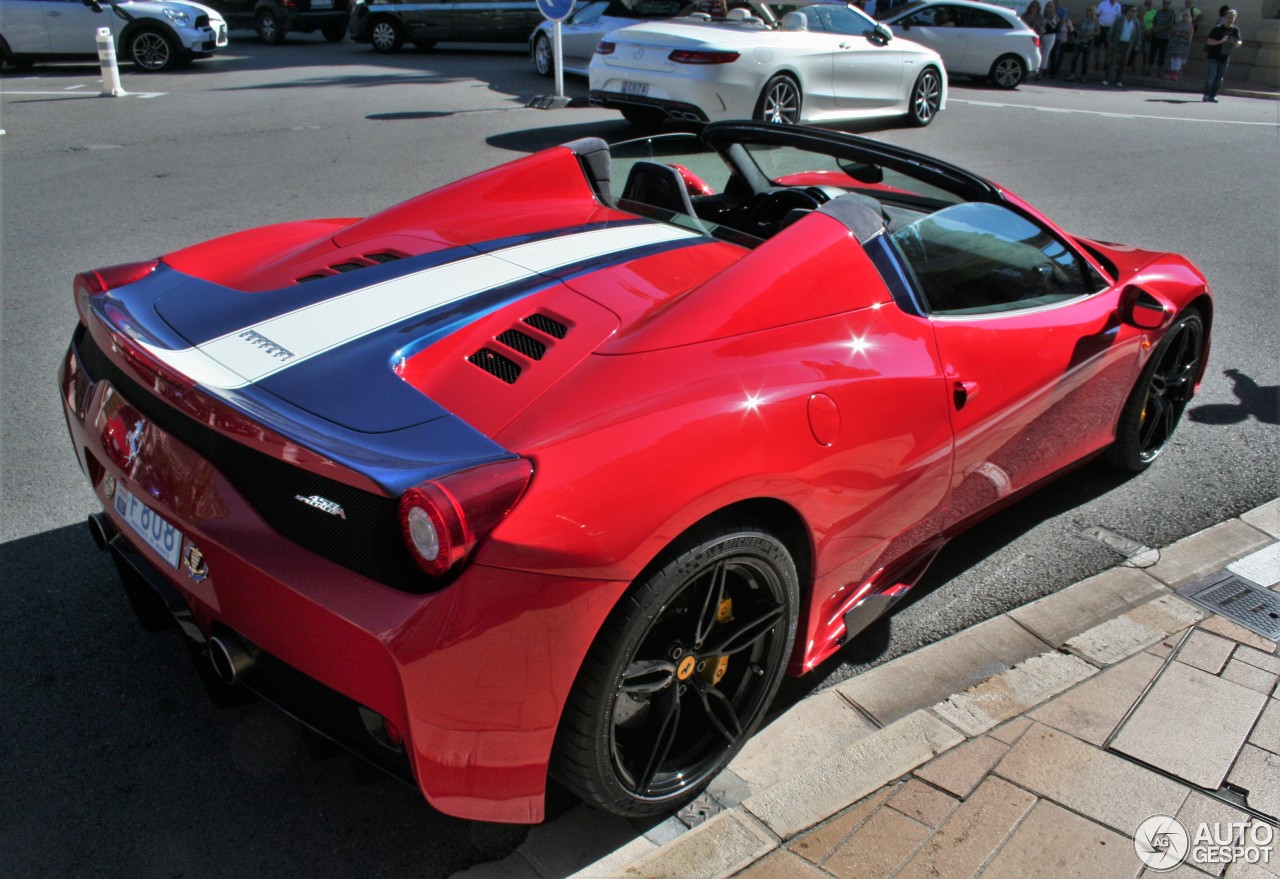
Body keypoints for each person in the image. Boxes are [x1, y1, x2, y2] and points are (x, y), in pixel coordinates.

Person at [1203, 7, 1242, 101]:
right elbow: (1209, 41)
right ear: (1225, 17)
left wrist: (1236, 43)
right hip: (1213, 56)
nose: (1230, 19)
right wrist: (1220, 41)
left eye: (1232, 18)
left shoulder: (1235, 30)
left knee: (1219, 79)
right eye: (1228, 17)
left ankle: (1213, 95)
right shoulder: (1218, 28)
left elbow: (1239, 41)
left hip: (1224, 57)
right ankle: (1206, 95)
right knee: (1210, 77)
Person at [1103, 3, 1142, 85]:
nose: (1134, 13)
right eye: (1133, 11)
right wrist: (1110, 41)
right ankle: (1107, 79)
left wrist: (1137, 44)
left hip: (1127, 44)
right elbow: (1112, 31)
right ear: (1127, 11)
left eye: (1135, 11)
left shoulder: (1136, 23)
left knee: (1123, 63)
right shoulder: (1119, 20)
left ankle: (1119, 80)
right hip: (1117, 43)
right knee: (1112, 61)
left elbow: (1138, 35)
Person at [1067, 4, 1100, 80]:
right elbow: (1077, 29)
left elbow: (1098, 32)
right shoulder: (1082, 19)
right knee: (1074, 58)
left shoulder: (1095, 21)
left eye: (1090, 10)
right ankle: (1072, 74)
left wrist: (1091, 33)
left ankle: (1083, 76)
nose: (1088, 12)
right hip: (1079, 41)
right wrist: (1080, 32)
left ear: (1093, 12)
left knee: (1085, 60)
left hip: (1088, 42)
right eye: (1087, 10)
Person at [1150, 0, 1178, 74]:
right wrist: (1154, 28)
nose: (1166, 5)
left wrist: (1159, 29)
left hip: (1165, 37)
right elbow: (1154, 20)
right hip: (1156, 36)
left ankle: (1159, 71)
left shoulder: (1172, 13)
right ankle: (1148, 69)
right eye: (1164, 3)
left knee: (1162, 54)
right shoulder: (1159, 11)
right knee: (1152, 53)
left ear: (1170, 4)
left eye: (1167, 3)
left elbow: (1171, 24)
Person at [1095, 0, 1122, 69]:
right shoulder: (1102, 4)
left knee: (1108, 47)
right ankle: (1097, 63)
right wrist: (1097, 27)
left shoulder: (1118, 6)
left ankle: (1106, 63)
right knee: (1098, 46)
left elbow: (1118, 18)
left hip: (1110, 29)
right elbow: (1096, 16)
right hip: (1101, 27)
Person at [1166, 9, 1193, 78]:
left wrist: (1180, 34)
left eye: (1186, 15)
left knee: (1178, 59)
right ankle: (1171, 72)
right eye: (1184, 15)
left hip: (1182, 44)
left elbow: (1188, 36)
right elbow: (1172, 30)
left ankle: (1176, 74)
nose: (1185, 17)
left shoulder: (1189, 25)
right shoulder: (1178, 23)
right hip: (1174, 43)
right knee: (1173, 58)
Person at [1041, 2, 1062, 76]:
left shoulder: (1055, 17)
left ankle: (1042, 71)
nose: (1049, 9)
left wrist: (1048, 28)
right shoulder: (1043, 16)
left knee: (1045, 54)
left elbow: (1057, 29)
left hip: (1050, 36)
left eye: (1051, 7)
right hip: (1041, 36)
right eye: (1047, 7)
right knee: (1040, 53)